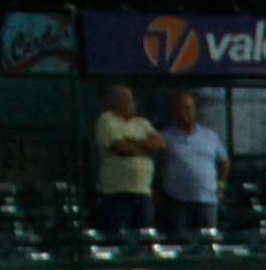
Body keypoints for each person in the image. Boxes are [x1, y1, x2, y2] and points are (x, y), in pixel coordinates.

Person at [153, 92, 227, 238]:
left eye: (187, 107)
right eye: (180, 108)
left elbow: (224, 162)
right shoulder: (164, 137)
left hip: (207, 199)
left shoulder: (210, 136)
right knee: (180, 242)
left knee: (208, 242)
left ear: (195, 110)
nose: (184, 112)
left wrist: (222, 186)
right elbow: (156, 165)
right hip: (177, 200)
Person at [92, 85, 161, 235]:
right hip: (118, 193)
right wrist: (145, 147)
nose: (130, 103)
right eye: (125, 100)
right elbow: (121, 148)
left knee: (145, 237)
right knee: (120, 237)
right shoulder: (107, 120)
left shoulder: (142, 123)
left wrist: (133, 141)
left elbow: (160, 144)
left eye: (131, 100)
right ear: (115, 102)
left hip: (143, 192)